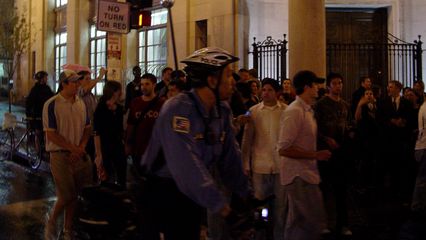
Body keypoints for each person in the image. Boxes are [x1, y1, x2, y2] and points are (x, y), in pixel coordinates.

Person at [139, 47, 250, 239]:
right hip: (163, 190)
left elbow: (230, 157)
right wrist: (223, 209)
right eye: (229, 75)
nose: (234, 81)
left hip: (193, 191)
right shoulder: (178, 109)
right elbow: (186, 166)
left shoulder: (221, 110)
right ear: (212, 80)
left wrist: (246, 194)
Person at [278, 70, 331, 240]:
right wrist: (315, 155)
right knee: (306, 222)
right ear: (307, 87)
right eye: (315, 85)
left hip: (306, 174)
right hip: (298, 175)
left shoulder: (306, 110)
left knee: (302, 222)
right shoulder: (295, 111)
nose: (318, 88)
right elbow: (283, 148)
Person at [43, 70, 93, 240]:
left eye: (78, 82)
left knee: (75, 194)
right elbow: (51, 134)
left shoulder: (81, 103)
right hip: (59, 155)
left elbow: (87, 128)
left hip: (78, 154)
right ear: (64, 84)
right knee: (66, 195)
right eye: (74, 82)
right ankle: (51, 221)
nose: (78, 85)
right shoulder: (52, 104)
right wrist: (73, 148)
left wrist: (81, 147)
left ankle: (67, 229)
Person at [241, 78, 287, 240]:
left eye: (270, 90)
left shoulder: (285, 111)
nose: (266, 93)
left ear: (277, 92)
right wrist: (245, 162)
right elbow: (247, 139)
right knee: (260, 207)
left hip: (280, 167)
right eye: (264, 90)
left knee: (280, 209)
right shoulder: (253, 111)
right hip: (260, 165)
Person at [314, 72, 352, 236]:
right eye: (335, 83)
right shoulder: (321, 104)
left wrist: (350, 133)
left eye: (340, 83)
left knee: (341, 189)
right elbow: (315, 127)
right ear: (329, 86)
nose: (338, 86)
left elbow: (348, 123)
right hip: (325, 152)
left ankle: (343, 223)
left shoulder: (344, 105)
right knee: (325, 188)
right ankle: (324, 222)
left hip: (341, 152)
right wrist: (325, 139)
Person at [125, 73, 165, 167]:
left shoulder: (162, 103)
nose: (143, 87)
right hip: (139, 148)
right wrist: (128, 144)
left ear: (154, 85)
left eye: (147, 84)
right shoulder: (135, 102)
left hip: (156, 149)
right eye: (142, 84)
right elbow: (131, 124)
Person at [93, 81, 126, 188]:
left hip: (117, 145)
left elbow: (120, 129)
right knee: (105, 176)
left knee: (121, 172)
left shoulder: (119, 109)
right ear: (114, 92)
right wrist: (99, 154)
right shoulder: (101, 109)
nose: (121, 92)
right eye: (119, 90)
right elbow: (97, 132)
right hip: (105, 146)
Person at [25, 71, 54, 149]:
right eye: (45, 77)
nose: (46, 79)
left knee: (46, 133)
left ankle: (45, 149)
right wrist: (29, 115)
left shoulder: (47, 88)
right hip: (37, 115)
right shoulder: (35, 90)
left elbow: (52, 98)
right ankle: (38, 152)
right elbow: (29, 103)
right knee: (38, 133)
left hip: (46, 114)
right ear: (41, 79)